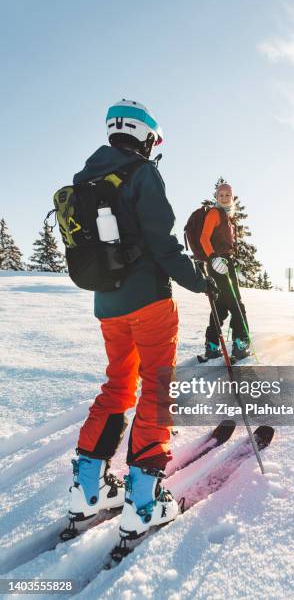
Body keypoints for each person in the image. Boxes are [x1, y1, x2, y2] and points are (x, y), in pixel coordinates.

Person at [66, 99, 217, 538]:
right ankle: (144, 504)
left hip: (107, 305)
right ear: (143, 134)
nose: (153, 146)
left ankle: (88, 491)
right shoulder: (141, 172)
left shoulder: (87, 177)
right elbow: (162, 243)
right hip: (149, 302)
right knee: (155, 389)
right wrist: (199, 281)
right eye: (153, 138)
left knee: (117, 385)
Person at [200, 181, 251, 360]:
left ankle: (212, 345)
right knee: (236, 304)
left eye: (227, 195)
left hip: (222, 262)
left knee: (221, 306)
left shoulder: (228, 217)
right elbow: (204, 238)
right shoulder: (215, 213)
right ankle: (241, 342)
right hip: (219, 263)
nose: (224, 197)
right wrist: (213, 259)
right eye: (220, 195)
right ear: (216, 197)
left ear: (232, 197)